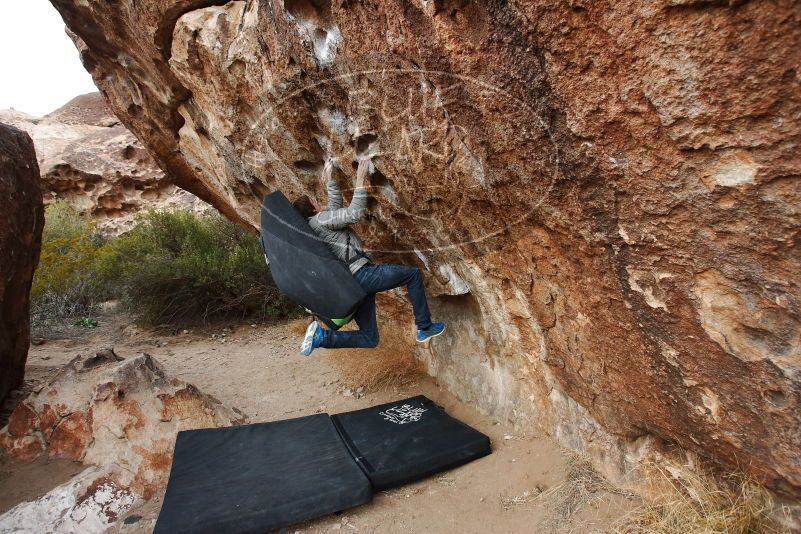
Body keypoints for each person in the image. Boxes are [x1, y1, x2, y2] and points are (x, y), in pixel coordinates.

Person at [293, 157, 445, 356]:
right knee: (412, 275)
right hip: (362, 275)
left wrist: (331, 177)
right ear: (313, 208)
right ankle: (424, 327)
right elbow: (354, 213)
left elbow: (334, 207)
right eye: (316, 201)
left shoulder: (314, 227)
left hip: (353, 286)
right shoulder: (320, 221)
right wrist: (359, 179)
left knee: (369, 337)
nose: (320, 203)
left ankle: (322, 337)